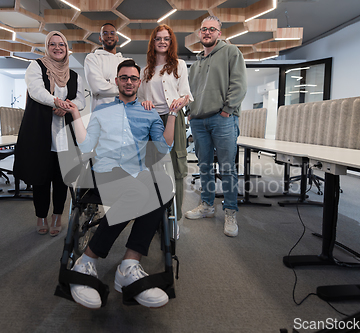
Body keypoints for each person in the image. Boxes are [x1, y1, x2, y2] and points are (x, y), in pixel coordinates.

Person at [62, 59, 176, 309]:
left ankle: (129, 264)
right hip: (105, 172)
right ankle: (86, 260)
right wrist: (75, 114)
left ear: (139, 82)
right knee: (137, 191)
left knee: (163, 186)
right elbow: (86, 146)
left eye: (133, 78)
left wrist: (173, 115)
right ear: (116, 81)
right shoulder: (102, 112)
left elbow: (163, 147)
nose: (128, 82)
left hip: (136, 172)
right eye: (123, 77)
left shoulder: (149, 112)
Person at [13, 31, 85, 237]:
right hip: (40, 131)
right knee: (40, 177)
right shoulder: (36, 66)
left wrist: (68, 106)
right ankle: (41, 216)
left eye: (61, 44)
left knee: (62, 178)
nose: (57, 48)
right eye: (53, 44)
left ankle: (57, 216)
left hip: (64, 134)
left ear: (66, 47)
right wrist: (57, 101)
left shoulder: (74, 75)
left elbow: (81, 101)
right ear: (47, 47)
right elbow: (36, 91)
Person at [184, 16, 247, 237]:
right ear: (199, 34)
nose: (207, 32)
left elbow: (239, 84)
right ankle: (207, 206)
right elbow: (190, 92)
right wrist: (190, 113)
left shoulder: (231, 52)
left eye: (212, 29)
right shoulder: (197, 63)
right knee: (204, 167)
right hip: (199, 121)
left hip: (223, 119)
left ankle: (230, 211)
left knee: (227, 169)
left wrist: (227, 109)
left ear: (219, 33)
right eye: (204, 29)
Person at [139, 24, 193, 222]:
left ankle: (174, 218)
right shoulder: (145, 71)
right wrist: (144, 102)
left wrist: (181, 101)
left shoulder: (179, 65)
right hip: (152, 121)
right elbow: (141, 99)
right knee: (153, 167)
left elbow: (186, 93)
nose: (162, 42)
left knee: (176, 165)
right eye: (158, 38)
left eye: (166, 39)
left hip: (174, 117)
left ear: (171, 42)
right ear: (153, 42)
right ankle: (153, 218)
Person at [84, 23, 127, 110]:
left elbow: (134, 88)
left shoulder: (126, 62)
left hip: (123, 114)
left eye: (112, 33)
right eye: (105, 33)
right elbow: (97, 88)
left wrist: (107, 82)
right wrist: (124, 89)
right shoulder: (92, 58)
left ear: (117, 38)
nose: (109, 36)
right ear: (100, 38)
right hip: (100, 114)